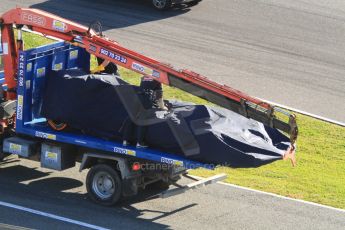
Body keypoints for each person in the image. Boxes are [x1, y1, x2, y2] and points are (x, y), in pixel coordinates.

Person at [122, 76, 168, 148]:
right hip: (146, 100)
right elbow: (159, 97)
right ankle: (139, 143)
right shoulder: (158, 80)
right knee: (143, 119)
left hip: (137, 98)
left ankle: (125, 140)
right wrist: (163, 107)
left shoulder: (144, 76)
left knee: (131, 118)